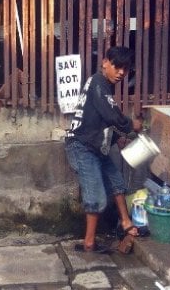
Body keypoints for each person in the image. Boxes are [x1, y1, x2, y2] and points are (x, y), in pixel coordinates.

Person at [65, 46, 143, 253]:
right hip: (81, 146)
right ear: (105, 62)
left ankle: (126, 222)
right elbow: (111, 115)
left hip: (96, 145)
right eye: (117, 67)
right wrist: (131, 126)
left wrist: (117, 137)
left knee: (117, 183)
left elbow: (98, 119)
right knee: (96, 197)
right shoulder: (98, 83)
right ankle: (89, 242)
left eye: (125, 69)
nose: (121, 73)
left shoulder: (103, 86)